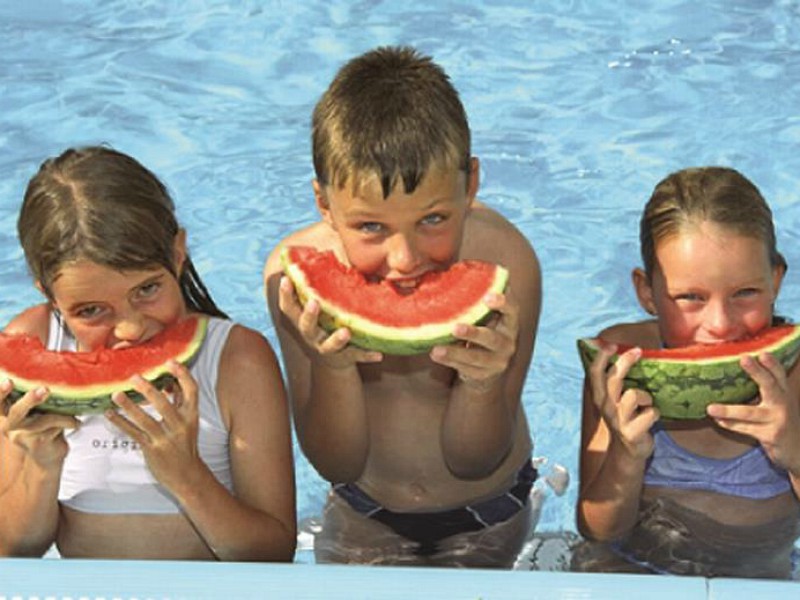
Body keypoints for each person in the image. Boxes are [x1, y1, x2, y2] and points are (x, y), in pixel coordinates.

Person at [264, 46, 542, 568]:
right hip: (365, 508)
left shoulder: (508, 261)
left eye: (434, 219)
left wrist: (482, 382)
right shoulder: (291, 277)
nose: (405, 258)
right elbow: (336, 461)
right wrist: (334, 369)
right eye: (371, 227)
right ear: (324, 204)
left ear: (472, 184)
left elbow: (474, 458)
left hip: (490, 509)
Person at [0, 146, 296, 561]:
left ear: (178, 254)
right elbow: (14, 551)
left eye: (147, 289)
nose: (130, 329)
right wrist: (40, 465)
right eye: (91, 311)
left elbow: (274, 553)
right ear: (48, 295)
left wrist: (187, 475)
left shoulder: (237, 360)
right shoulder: (32, 342)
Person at [574, 166, 800, 578]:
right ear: (647, 292)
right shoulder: (622, 367)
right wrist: (625, 456)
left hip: (756, 581)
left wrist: (794, 451)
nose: (719, 324)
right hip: (629, 573)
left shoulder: (797, 375)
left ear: (776, 280)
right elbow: (597, 530)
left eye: (745, 293)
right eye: (691, 298)